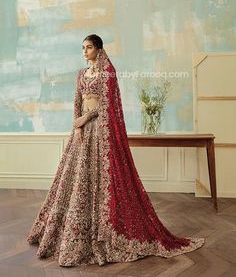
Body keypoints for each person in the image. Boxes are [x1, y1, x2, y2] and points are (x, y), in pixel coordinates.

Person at [27, 34, 204, 267]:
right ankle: (68, 232)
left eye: (89, 47)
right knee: (75, 180)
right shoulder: (81, 74)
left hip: (101, 131)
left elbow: (108, 106)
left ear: (99, 50)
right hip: (82, 132)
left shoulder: (108, 73)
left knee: (100, 181)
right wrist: (77, 125)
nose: (84, 51)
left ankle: (101, 235)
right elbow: (77, 102)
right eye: (82, 48)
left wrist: (87, 118)